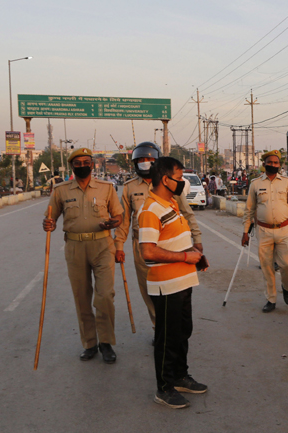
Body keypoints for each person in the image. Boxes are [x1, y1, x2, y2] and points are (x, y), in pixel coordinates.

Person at [138, 156, 208, 409]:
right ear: (165, 179)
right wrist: (185, 256)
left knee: (182, 333)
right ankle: (164, 387)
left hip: (183, 281)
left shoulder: (171, 204)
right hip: (166, 285)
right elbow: (148, 251)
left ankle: (180, 376)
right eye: (179, 178)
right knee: (166, 338)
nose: (182, 183)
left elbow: (175, 239)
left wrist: (195, 256)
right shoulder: (150, 210)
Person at [42, 148, 123, 363]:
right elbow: (51, 217)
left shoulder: (107, 188)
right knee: (82, 297)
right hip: (75, 247)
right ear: (72, 167)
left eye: (86, 162)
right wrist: (48, 224)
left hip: (103, 245)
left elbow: (119, 216)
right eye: (77, 163)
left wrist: (114, 223)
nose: (82, 166)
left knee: (105, 296)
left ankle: (106, 342)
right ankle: (89, 343)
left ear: (93, 164)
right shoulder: (60, 190)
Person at [114, 142, 204, 332]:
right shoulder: (129, 187)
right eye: (140, 160)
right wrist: (119, 246)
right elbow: (124, 221)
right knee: (149, 290)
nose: (145, 163)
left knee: (172, 288)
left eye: (149, 160)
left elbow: (187, 213)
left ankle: (171, 326)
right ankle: (158, 326)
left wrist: (197, 239)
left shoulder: (170, 185)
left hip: (171, 244)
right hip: (143, 246)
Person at [241, 150, 288, 313]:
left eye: (276, 163)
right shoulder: (255, 184)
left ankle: (287, 287)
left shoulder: (287, 182)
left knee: (286, 265)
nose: (273, 165)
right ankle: (271, 298)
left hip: (284, 230)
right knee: (267, 266)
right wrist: (245, 231)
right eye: (271, 162)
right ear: (264, 164)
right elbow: (249, 209)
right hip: (263, 231)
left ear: (280, 165)